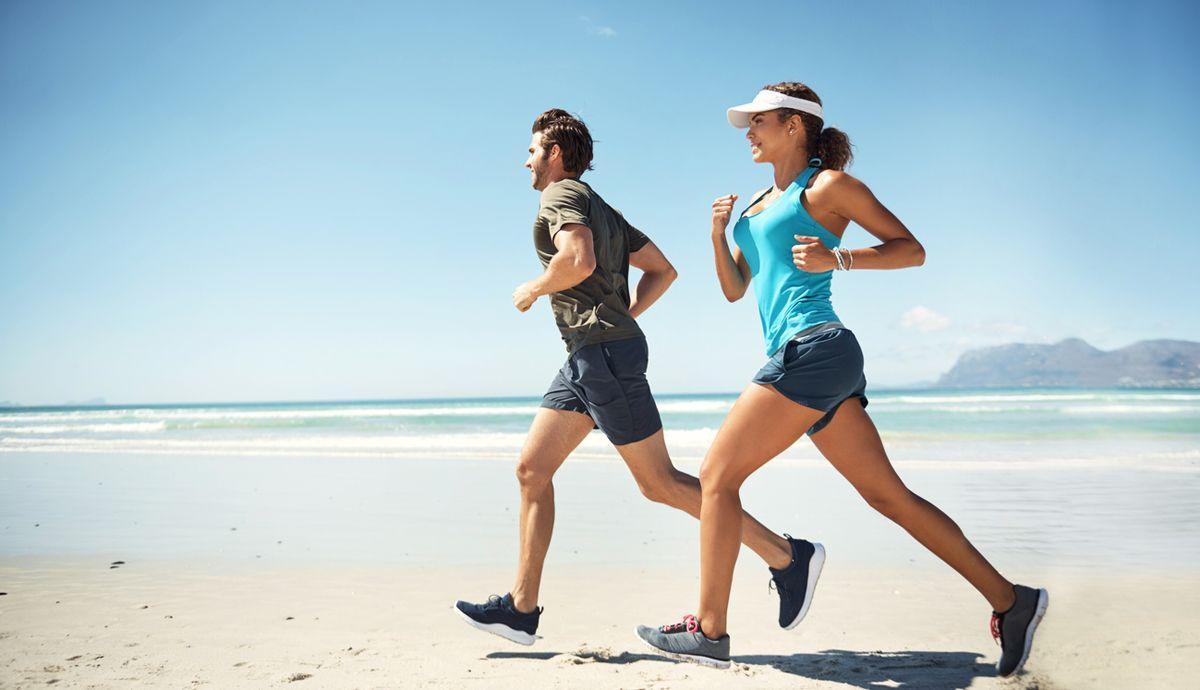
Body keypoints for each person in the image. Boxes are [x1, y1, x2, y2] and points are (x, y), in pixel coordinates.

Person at [635, 84, 1048, 677]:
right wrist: (717, 239)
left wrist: (842, 259)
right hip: (808, 357)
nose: (748, 133)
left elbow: (912, 250)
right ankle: (1012, 602)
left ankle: (711, 627)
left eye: (758, 122)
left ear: (796, 125)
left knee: (716, 478)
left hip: (816, 348)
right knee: (888, 496)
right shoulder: (755, 204)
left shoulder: (826, 187)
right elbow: (734, 289)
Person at [454, 109, 815, 646]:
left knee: (659, 483)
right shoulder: (602, 208)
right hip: (586, 356)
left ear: (555, 154)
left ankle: (787, 557)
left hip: (603, 356)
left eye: (532, 150)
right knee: (532, 470)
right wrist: (622, 317)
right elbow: (663, 269)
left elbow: (575, 261)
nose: (525, 160)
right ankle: (522, 608)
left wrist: (534, 288)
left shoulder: (560, 196)